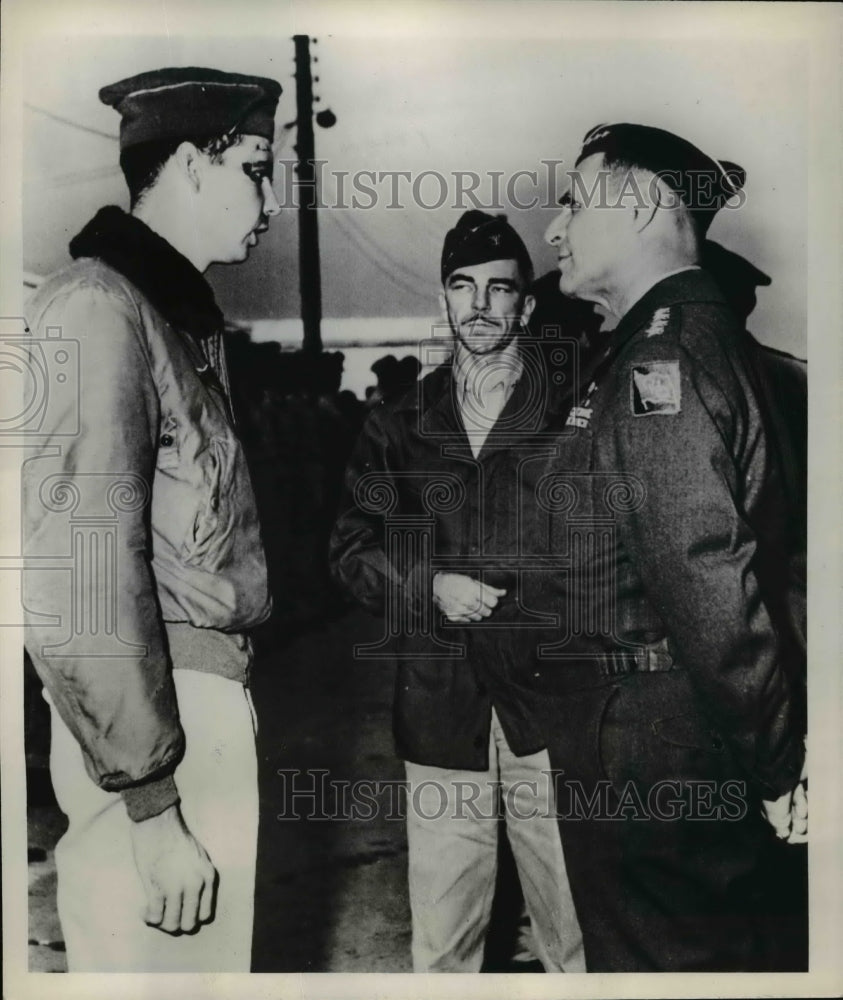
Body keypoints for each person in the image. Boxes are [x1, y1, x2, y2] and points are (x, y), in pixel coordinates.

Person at [527, 123, 808, 971]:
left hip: (654, 748)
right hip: (655, 734)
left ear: (644, 203)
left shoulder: (665, 362)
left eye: (572, 202)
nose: (553, 229)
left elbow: (704, 581)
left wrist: (778, 759)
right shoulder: (664, 346)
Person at [23, 67, 282, 972]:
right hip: (156, 725)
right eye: (257, 167)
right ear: (187, 164)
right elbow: (79, 575)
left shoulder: (163, 318)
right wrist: (151, 802)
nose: (271, 198)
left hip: (194, 703)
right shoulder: (100, 308)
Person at [330, 211, 584, 973]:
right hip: (443, 711)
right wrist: (428, 583)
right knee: (442, 943)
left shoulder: (573, 409)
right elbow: (348, 549)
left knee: (573, 937)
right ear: (443, 298)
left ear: (525, 306)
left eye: (498, 288)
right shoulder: (399, 420)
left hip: (551, 704)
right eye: (462, 286)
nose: (479, 304)